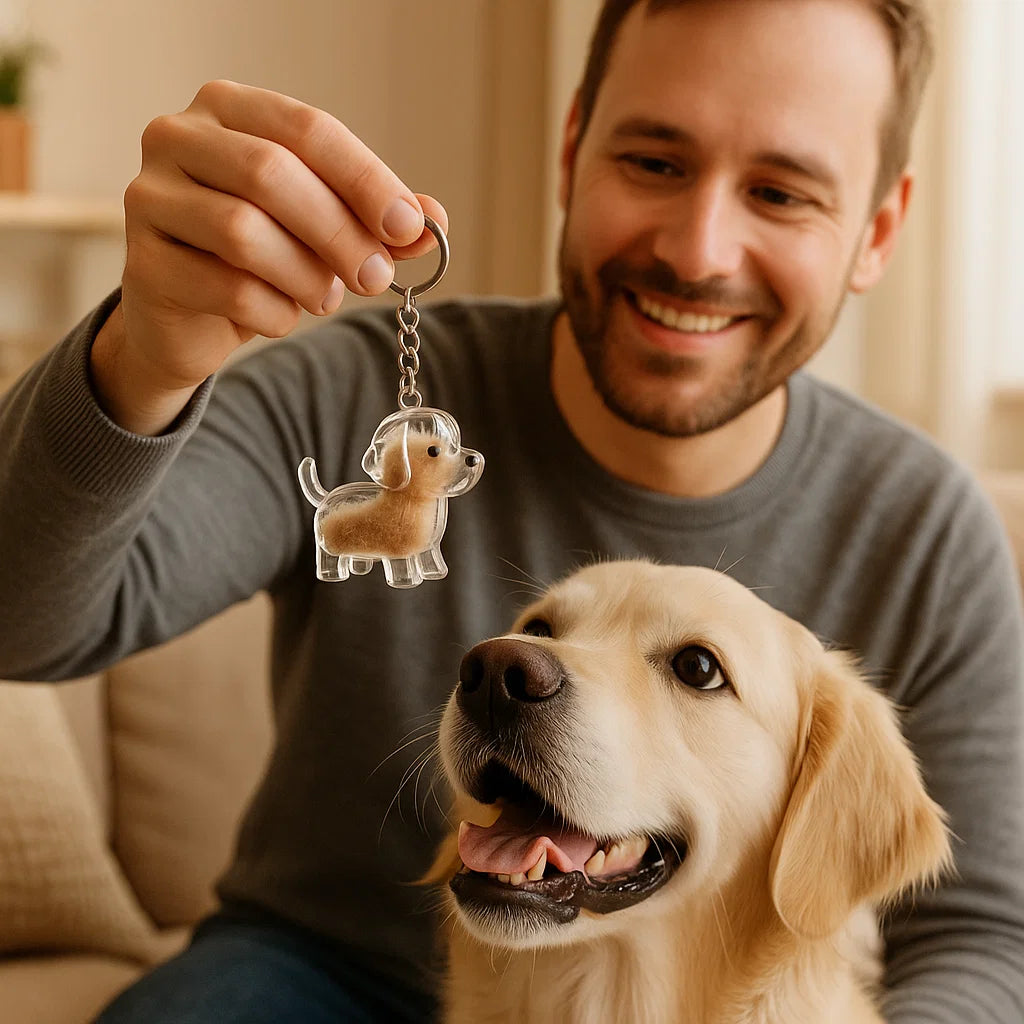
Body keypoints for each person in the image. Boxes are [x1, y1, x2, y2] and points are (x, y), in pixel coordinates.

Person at [0, 0, 1021, 1021]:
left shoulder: (927, 530)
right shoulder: (361, 396)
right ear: (572, 149)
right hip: (312, 970)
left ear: (877, 229)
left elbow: (982, 937)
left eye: (781, 191)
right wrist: (143, 350)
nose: (699, 247)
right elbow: (20, 618)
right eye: (654, 162)